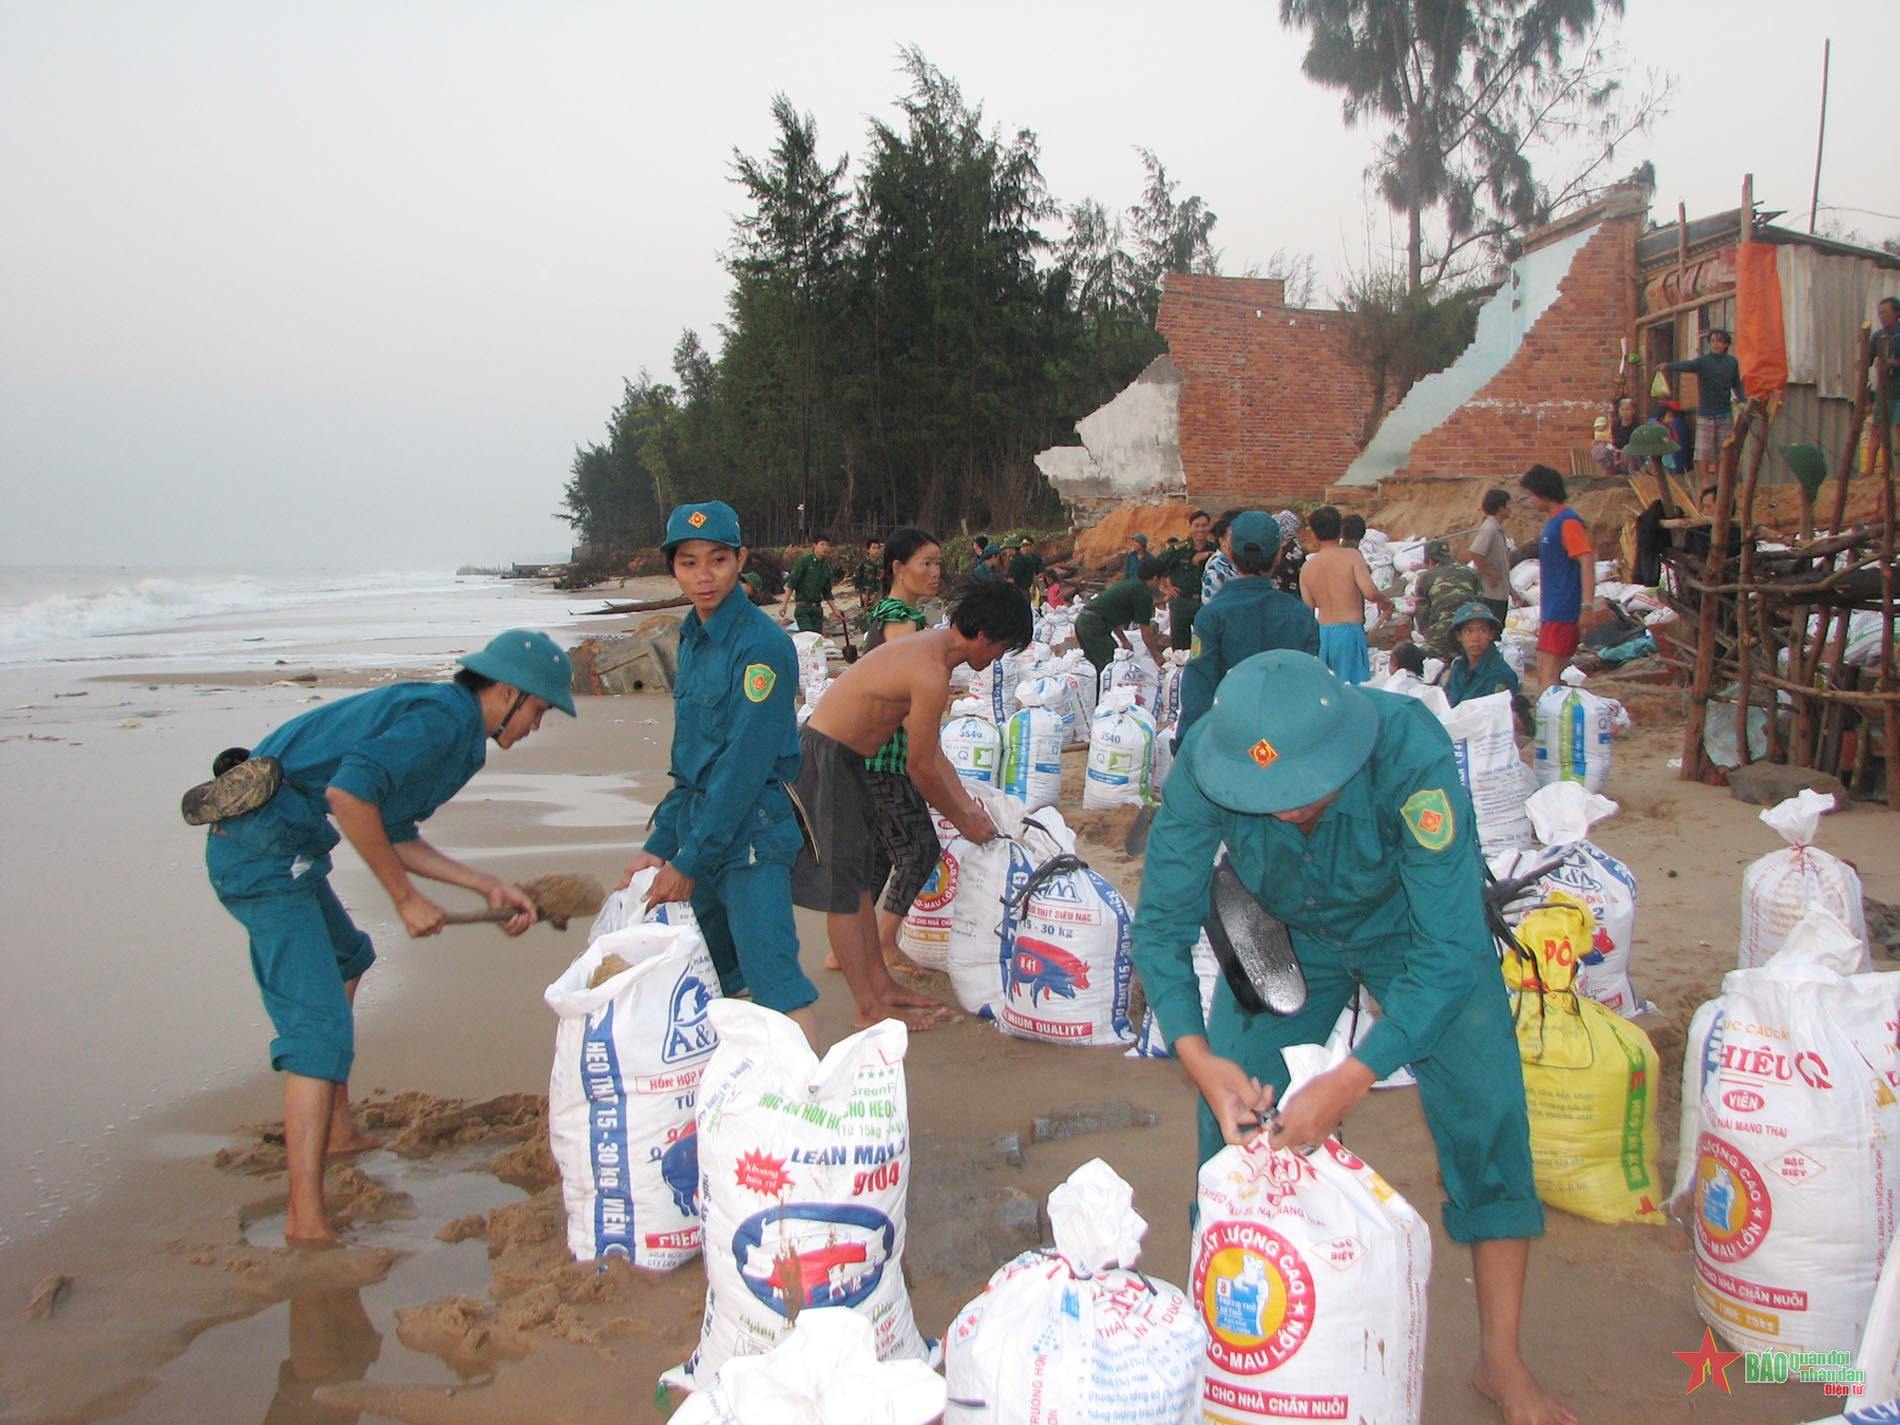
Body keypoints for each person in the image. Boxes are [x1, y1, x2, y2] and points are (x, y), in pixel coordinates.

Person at [1131, 650, 1576, 1425]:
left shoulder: (1411, 755)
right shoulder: (1208, 760)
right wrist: (1199, 1058)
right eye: (1264, 799)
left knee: (1486, 1109)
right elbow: (1162, 925)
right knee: (1231, 1108)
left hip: (1411, 929)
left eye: (1305, 795)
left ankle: (1500, 1361)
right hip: (1283, 925)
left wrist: (1352, 1076)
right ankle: (1226, 1334)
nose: (1286, 811)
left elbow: (1446, 952)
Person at [198, 629, 575, 1243]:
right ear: (507, 690)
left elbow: (394, 829)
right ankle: (305, 1219)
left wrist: (485, 885)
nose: (538, 723)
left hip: (289, 846)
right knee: (316, 1032)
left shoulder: (458, 735)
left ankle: (338, 1129)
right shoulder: (438, 720)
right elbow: (349, 796)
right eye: (539, 708)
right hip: (259, 856)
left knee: (350, 956)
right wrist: (404, 897)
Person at [792, 581, 1033, 1029]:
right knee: (844, 892)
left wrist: (968, 804)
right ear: (985, 636)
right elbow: (919, 766)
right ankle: (868, 1007)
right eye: (1002, 647)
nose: (998, 658)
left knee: (860, 882)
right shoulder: (930, 671)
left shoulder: (930, 649)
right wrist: (963, 820)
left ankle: (881, 986)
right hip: (826, 761)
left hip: (848, 761)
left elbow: (934, 754)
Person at [628, 502, 820, 1046]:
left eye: (717, 559)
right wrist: (662, 841)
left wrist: (688, 860)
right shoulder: (691, 635)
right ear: (673, 568)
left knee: (776, 982)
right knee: (708, 971)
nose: (703, 575)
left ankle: (810, 1108)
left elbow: (743, 764)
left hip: (752, 832)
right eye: (688, 562)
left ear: (740, 560)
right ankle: (738, 1086)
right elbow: (692, 755)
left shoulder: (762, 646)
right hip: (701, 825)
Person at [853, 528, 948, 976]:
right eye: (926, 563)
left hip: (870, 754)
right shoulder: (898, 617)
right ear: (898, 568)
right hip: (885, 758)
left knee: (883, 852)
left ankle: (850, 948)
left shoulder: (897, 615)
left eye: (938, 564)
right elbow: (906, 686)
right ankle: (885, 944)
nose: (935, 572)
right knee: (920, 848)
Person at [1176, 511, 1319, 748]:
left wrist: (1187, 749)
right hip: (1284, 744)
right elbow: (1310, 683)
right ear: (1278, 555)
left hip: (1231, 743)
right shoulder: (1300, 614)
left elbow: (1198, 691)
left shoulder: (1211, 616)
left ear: (1230, 553)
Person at [1518, 465, 1601, 688]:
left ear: (1543, 492)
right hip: (1552, 608)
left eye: (1531, 495)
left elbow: (1586, 562)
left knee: (1550, 671)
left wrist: (1587, 607)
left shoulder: (1568, 522)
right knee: (1548, 669)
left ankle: (1551, 716)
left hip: (1563, 608)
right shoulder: (1553, 522)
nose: (1531, 500)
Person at [1299, 505, 1390, 685]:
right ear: (1340, 530)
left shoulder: (1308, 568)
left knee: (1329, 688)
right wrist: (1385, 600)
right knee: (1355, 690)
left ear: (1314, 535)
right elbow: (1370, 592)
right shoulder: (1352, 557)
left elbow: (1307, 611)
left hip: (1324, 634)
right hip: (1349, 633)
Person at [1074, 555, 1175, 674]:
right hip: (1093, 625)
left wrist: (1124, 641)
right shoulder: (1142, 592)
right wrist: (1156, 654)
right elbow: (1145, 629)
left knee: (1097, 667)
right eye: (1160, 580)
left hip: (1084, 621)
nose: (1160, 585)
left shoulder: (1132, 584)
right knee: (1112, 664)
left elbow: (1111, 617)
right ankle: (1110, 692)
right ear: (1154, 578)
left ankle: (1098, 691)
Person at [1667, 329, 1747, 477]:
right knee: (1704, 451)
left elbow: (1736, 384)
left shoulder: (1732, 363)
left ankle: (1719, 479)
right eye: (1713, 341)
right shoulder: (1704, 362)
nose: (1716, 344)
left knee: (1723, 449)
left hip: (1724, 413)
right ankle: (1705, 483)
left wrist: (1744, 401)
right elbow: (1686, 365)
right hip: (1706, 413)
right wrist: (1668, 366)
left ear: (1726, 344)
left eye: (1720, 341)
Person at [1444, 602, 1523, 711]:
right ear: (1459, 636)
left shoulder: (1500, 674)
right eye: (1468, 631)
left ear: (1491, 634)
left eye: (1482, 630)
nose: (1475, 638)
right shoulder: (1458, 668)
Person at [1416, 540, 1484, 661]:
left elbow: (1422, 620)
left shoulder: (1425, 578)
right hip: (1472, 640)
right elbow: (1480, 607)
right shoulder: (1470, 572)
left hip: (1441, 641)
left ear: (1430, 560)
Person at [1164, 509, 1216, 652]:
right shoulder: (1179, 549)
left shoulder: (1215, 549)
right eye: (1197, 525)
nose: (1200, 529)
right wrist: (1168, 587)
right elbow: (1160, 566)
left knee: (1206, 644)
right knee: (1180, 647)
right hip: (1181, 601)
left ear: (1209, 526)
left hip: (1205, 603)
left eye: (1204, 525)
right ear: (1191, 527)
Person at [1467, 488, 1515, 625]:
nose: (1511, 508)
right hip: (1491, 595)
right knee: (1491, 632)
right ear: (1501, 508)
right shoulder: (1489, 529)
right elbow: (1476, 553)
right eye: (1509, 505)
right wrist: (1489, 575)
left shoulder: (1497, 529)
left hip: (1500, 594)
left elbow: (1501, 565)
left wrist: (1511, 591)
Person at [781, 536, 843, 634]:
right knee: (808, 636)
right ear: (814, 546)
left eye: (827, 545)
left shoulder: (825, 566)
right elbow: (792, 583)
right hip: (803, 608)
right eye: (822, 544)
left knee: (817, 639)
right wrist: (784, 605)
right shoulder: (804, 562)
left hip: (817, 610)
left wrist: (835, 611)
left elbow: (827, 593)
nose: (825, 548)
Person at [1200, 510, 1243, 606]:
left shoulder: (1239, 562)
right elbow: (1210, 607)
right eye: (1233, 537)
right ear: (1222, 540)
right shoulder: (1216, 569)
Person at [1875, 297, 1900, 461]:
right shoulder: (1878, 336)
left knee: (1898, 426)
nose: (1882, 316)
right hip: (1885, 388)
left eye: (1885, 312)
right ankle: (1869, 470)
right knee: (1877, 428)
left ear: (1897, 313)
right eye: (1880, 313)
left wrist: (1892, 363)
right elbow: (1865, 361)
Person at [1590, 395, 1641, 474]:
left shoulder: (1637, 425)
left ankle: (1631, 474)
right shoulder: (1616, 425)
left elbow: (1631, 442)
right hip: (1616, 453)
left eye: (1628, 409)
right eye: (1622, 409)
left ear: (1633, 411)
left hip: (1631, 455)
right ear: (1619, 411)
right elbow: (1616, 442)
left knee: (1628, 451)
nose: (1625, 412)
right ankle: (1609, 471)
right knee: (1598, 450)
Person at [852, 539, 885, 621]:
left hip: (879, 595)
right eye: (873, 548)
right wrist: (861, 593)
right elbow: (855, 579)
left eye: (878, 548)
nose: (876, 550)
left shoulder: (881, 564)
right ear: (868, 550)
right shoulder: (863, 563)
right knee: (869, 619)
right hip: (867, 596)